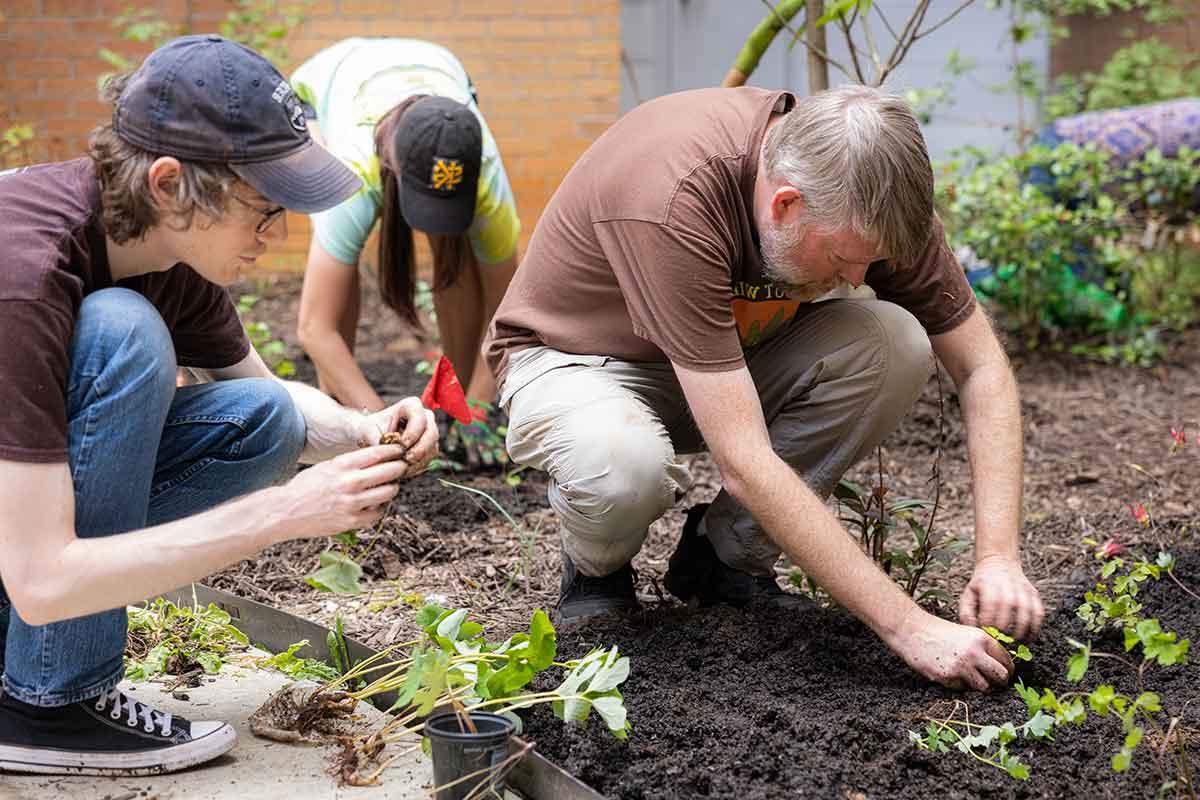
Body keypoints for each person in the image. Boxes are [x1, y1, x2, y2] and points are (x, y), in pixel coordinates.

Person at [484, 85, 1046, 693]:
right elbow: (744, 460)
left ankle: (723, 559)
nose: (860, 278)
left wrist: (998, 559)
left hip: (721, 367)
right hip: (580, 362)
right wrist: (910, 628)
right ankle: (596, 571)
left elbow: (981, 367)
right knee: (621, 462)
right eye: (844, 259)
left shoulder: (872, 198)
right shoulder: (673, 195)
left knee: (896, 342)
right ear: (785, 205)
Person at [0, 35, 438, 777]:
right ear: (169, 183)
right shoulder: (25, 273)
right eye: (264, 212)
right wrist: (289, 513)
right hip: (32, 567)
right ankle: (46, 704)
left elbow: (268, 399)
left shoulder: (156, 248)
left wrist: (364, 429)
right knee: (123, 334)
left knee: (265, 421)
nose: (277, 239)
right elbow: (43, 580)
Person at [291, 38, 521, 465]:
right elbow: (313, 328)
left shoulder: (484, 170)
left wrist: (479, 407)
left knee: (457, 255)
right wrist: (382, 421)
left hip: (439, 82)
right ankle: (336, 414)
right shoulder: (352, 175)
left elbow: (511, 314)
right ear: (395, 173)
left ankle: (454, 401)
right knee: (336, 293)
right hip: (318, 101)